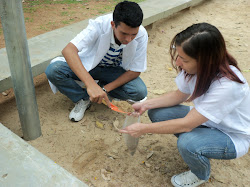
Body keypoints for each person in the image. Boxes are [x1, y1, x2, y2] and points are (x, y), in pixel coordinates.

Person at [119, 22, 250, 187]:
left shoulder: (228, 86)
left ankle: (200, 174)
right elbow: (178, 95)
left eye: (184, 59)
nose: (178, 62)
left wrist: (142, 129)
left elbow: (187, 125)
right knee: (157, 112)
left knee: (187, 142)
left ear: (205, 60)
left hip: (232, 135)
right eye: (178, 56)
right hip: (207, 120)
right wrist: (146, 104)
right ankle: (200, 144)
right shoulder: (196, 70)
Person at [45, 1, 148, 122]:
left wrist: (105, 89)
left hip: (113, 71)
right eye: (124, 33)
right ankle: (82, 99)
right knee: (54, 70)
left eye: (133, 35)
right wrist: (90, 84)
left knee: (139, 91)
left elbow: (135, 71)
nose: (128, 39)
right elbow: (68, 50)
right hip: (90, 67)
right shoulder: (99, 25)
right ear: (113, 24)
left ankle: (101, 88)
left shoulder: (141, 34)